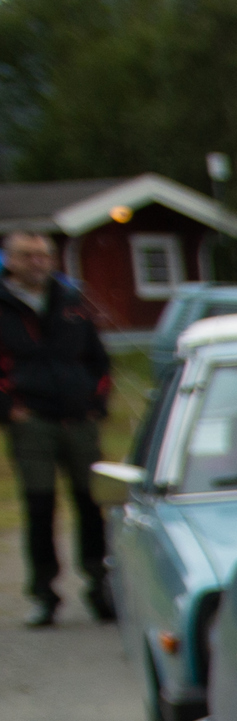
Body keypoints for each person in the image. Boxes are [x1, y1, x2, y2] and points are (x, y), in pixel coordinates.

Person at [0, 227, 116, 628]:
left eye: (44, 255)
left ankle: (101, 586)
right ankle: (44, 594)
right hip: (32, 422)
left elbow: (98, 359)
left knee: (91, 504)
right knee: (40, 507)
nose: (38, 263)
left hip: (79, 419)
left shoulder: (71, 302)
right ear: (10, 260)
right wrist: (10, 409)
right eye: (28, 255)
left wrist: (96, 403)